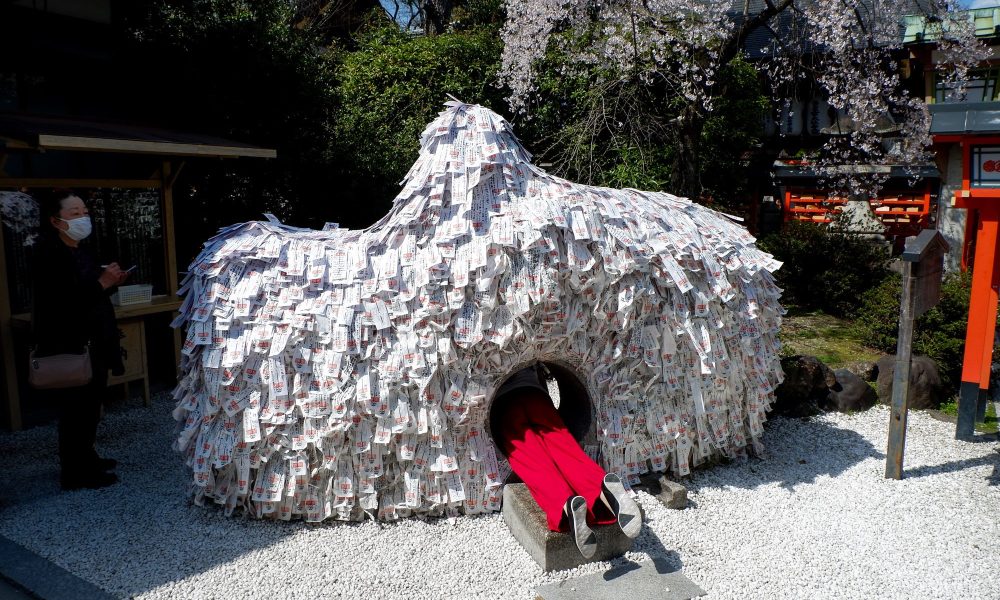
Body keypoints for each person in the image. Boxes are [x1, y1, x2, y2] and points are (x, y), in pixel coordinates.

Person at [31, 189, 128, 490]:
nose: (82, 217)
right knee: (75, 410)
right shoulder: (48, 255)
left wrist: (110, 283)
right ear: (56, 221)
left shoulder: (80, 250)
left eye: (84, 211)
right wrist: (101, 283)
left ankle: (87, 457)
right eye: (74, 213)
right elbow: (63, 303)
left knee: (90, 406)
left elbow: (92, 295)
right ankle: (74, 472)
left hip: (95, 342)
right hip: (70, 344)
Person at [493, 365, 641, 558]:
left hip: (503, 405)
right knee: (564, 447)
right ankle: (602, 489)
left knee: (531, 460)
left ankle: (565, 503)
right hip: (535, 396)